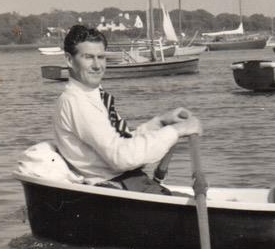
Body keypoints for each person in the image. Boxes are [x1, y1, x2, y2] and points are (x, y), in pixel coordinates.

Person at [53, 25, 202, 193]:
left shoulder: (92, 96)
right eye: (88, 57)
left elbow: (123, 143)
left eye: (101, 57)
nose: (97, 65)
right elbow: (121, 157)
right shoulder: (77, 102)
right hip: (116, 188)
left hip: (128, 182)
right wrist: (177, 131)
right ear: (69, 60)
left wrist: (160, 123)